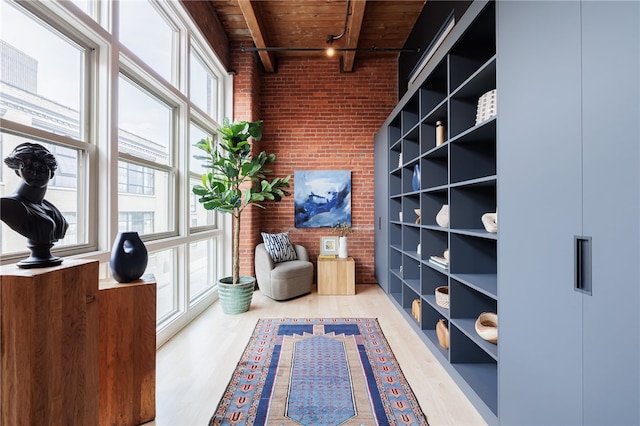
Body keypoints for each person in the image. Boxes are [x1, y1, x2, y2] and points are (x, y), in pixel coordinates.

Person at [1, 142, 68, 268]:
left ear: (52, 173)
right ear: (18, 172)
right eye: (28, 169)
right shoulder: (7, 205)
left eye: (42, 169)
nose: (35, 174)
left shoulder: (50, 208)